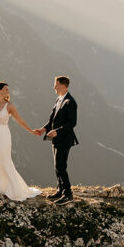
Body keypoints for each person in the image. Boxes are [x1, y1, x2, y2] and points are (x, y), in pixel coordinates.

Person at [0, 82, 40, 201]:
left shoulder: (9, 106)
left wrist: (31, 131)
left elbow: (20, 120)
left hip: (4, 135)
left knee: (5, 159)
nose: (8, 91)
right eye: (6, 89)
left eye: (8, 90)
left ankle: (12, 188)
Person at [33, 76, 78, 205]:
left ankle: (68, 194)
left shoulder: (70, 102)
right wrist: (43, 129)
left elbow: (72, 123)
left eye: (56, 85)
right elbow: (52, 120)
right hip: (56, 139)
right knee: (57, 166)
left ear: (63, 85)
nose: (54, 87)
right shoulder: (59, 100)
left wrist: (57, 131)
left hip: (64, 139)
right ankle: (60, 190)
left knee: (61, 166)